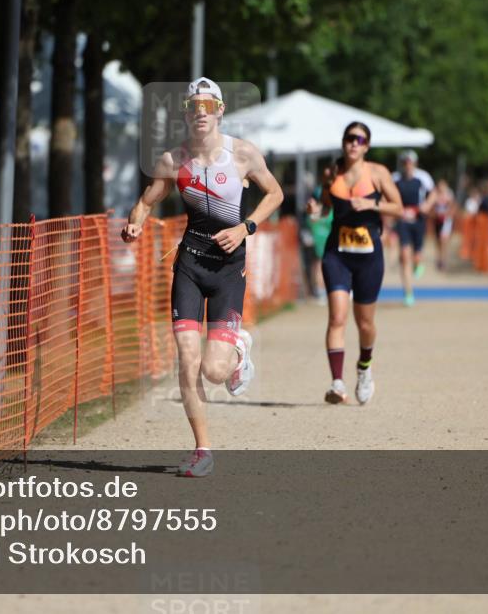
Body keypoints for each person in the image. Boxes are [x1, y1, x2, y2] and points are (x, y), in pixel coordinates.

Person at [121, 78, 283, 477]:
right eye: (193, 107)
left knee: (213, 371)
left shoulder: (242, 154)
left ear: (220, 111)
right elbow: (146, 201)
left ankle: (238, 351)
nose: (200, 113)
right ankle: (202, 450)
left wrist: (245, 227)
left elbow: (275, 194)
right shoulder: (172, 161)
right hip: (189, 268)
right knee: (187, 359)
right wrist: (135, 223)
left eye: (208, 106)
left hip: (227, 272)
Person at [306, 122, 403, 405]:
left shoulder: (378, 173)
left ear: (367, 146)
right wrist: (316, 210)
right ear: (343, 142)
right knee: (337, 317)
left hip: (369, 256)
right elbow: (326, 206)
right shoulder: (331, 173)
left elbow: (399, 208)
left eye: (360, 140)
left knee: (365, 323)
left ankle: (364, 368)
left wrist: (372, 204)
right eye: (350, 138)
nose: (354, 144)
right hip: (337, 253)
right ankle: (337, 383)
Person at [392, 150, 435, 306]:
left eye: (410, 162)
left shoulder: (423, 177)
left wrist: (427, 205)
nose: (408, 165)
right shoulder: (395, 178)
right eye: (405, 162)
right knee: (404, 256)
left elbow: (433, 194)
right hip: (402, 220)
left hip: (418, 220)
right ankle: (408, 293)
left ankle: (418, 263)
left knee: (417, 255)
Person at [431, 178, 456, 271]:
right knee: (437, 241)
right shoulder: (435, 195)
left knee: (443, 240)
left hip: (446, 221)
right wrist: (435, 214)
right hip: (437, 221)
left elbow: (452, 207)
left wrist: (447, 214)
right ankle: (438, 259)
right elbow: (432, 207)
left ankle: (443, 261)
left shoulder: (449, 195)